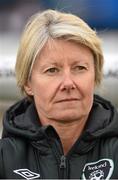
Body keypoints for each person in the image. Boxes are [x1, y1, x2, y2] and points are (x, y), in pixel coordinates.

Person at [0, 9, 118, 179]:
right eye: (52, 70)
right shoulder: (5, 158)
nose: (68, 83)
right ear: (27, 82)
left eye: (80, 68)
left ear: (95, 76)